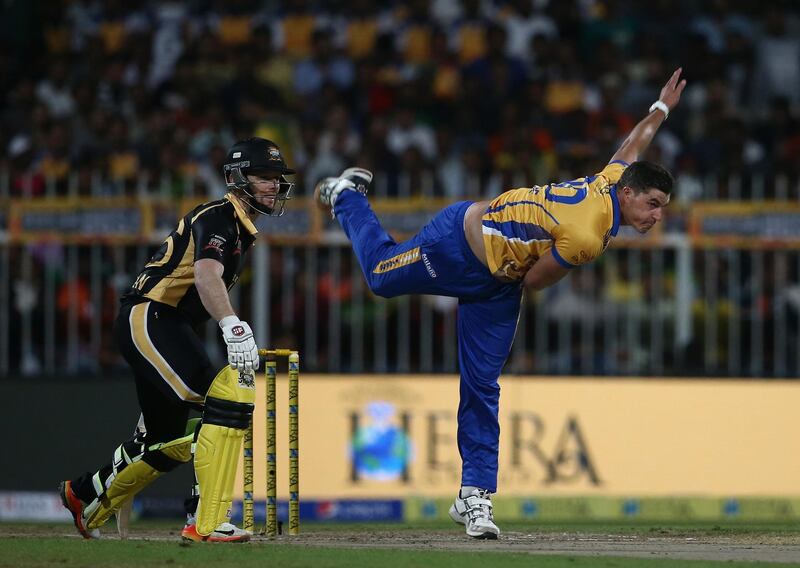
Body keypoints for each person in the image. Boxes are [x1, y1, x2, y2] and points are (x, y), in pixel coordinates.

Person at [315, 69, 686, 539]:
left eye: (663, 208)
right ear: (628, 194)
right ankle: (347, 196)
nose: (656, 216)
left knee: (482, 386)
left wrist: (661, 108)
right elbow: (534, 281)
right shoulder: (589, 235)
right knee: (379, 279)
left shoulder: (612, 180)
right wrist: (562, 257)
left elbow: (633, 146)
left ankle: (474, 497)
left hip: (496, 284)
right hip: (458, 247)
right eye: (652, 204)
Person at [59, 137, 295, 542]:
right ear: (238, 179)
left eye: (277, 178)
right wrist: (233, 325)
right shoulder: (220, 216)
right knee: (228, 397)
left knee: (163, 442)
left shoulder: (236, 224)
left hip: (162, 323)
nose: (274, 185)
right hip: (151, 316)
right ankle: (205, 520)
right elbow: (206, 276)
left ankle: (84, 497)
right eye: (264, 177)